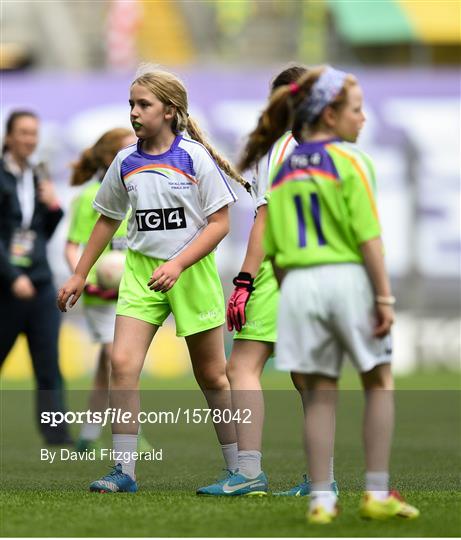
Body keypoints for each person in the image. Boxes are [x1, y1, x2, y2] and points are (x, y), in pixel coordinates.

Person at [238, 66, 420, 523]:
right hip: (345, 279)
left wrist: (287, 287)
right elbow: (369, 238)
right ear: (330, 113)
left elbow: (272, 241)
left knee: (319, 392)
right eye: (356, 110)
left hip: (296, 285)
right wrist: (384, 298)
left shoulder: (282, 165)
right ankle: (376, 491)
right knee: (378, 380)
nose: (363, 119)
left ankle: (321, 498)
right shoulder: (353, 161)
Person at [57, 67, 249, 493]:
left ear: (170, 110)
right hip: (142, 273)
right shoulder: (125, 161)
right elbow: (106, 219)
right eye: (131, 104)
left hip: (192, 273)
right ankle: (123, 470)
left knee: (213, 377)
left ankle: (241, 469)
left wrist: (179, 264)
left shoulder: (194, 157)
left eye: (143, 104)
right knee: (121, 366)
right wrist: (79, 273)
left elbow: (219, 223)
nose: (134, 112)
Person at [198, 64, 337, 497]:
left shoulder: (281, 149)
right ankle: (322, 481)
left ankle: (249, 472)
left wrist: (244, 281)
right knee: (305, 376)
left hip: (280, 271)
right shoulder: (327, 149)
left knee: (242, 366)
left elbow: (265, 217)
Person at [66, 127, 151, 453]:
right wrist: (85, 278)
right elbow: (73, 245)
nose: (136, 149)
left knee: (111, 362)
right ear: (108, 156)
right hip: (99, 294)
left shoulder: (139, 188)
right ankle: (133, 434)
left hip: (132, 288)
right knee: (117, 359)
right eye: (128, 146)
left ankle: (89, 431)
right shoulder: (90, 196)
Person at [0, 110, 72, 444]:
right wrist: (12, 275)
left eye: (34, 133)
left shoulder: (37, 176)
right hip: (6, 286)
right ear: (9, 136)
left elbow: (40, 232)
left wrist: (54, 209)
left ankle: (57, 436)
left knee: (49, 365)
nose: (30, 139)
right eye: (24, 132)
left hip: (40, 283)